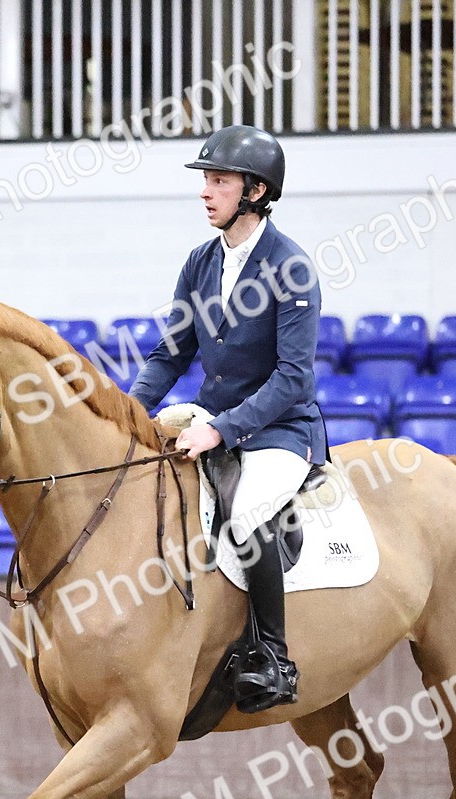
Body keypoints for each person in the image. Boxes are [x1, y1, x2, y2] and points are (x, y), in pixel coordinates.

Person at [129, 125, 325, 713]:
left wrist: (221, 429)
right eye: (205, 180)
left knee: (249, 512)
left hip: (278, 430)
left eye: (218, 181)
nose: (205, 192)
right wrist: (125, 412)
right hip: (213, 418)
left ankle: (272, 655)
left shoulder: (292, 269)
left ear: (256, 191)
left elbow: (294, 376)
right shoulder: (200, 262)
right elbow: (172, 352)